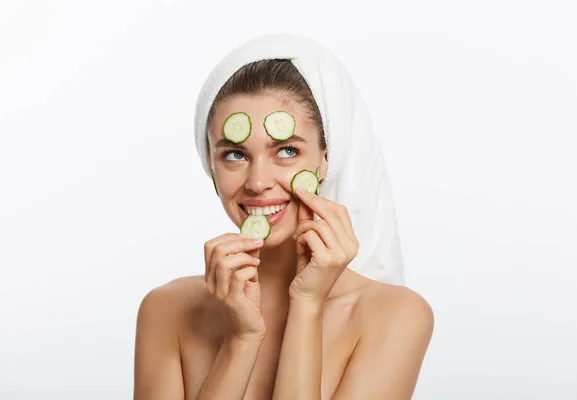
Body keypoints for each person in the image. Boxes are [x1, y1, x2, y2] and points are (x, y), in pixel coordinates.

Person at [134, 35, 434, 400]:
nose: (258, 182)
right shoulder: (165, 310)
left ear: (326, 159)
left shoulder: (396, 316)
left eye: (287, 150)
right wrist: (241, 339)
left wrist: (306, 307)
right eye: (234, 155)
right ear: (210, 164)